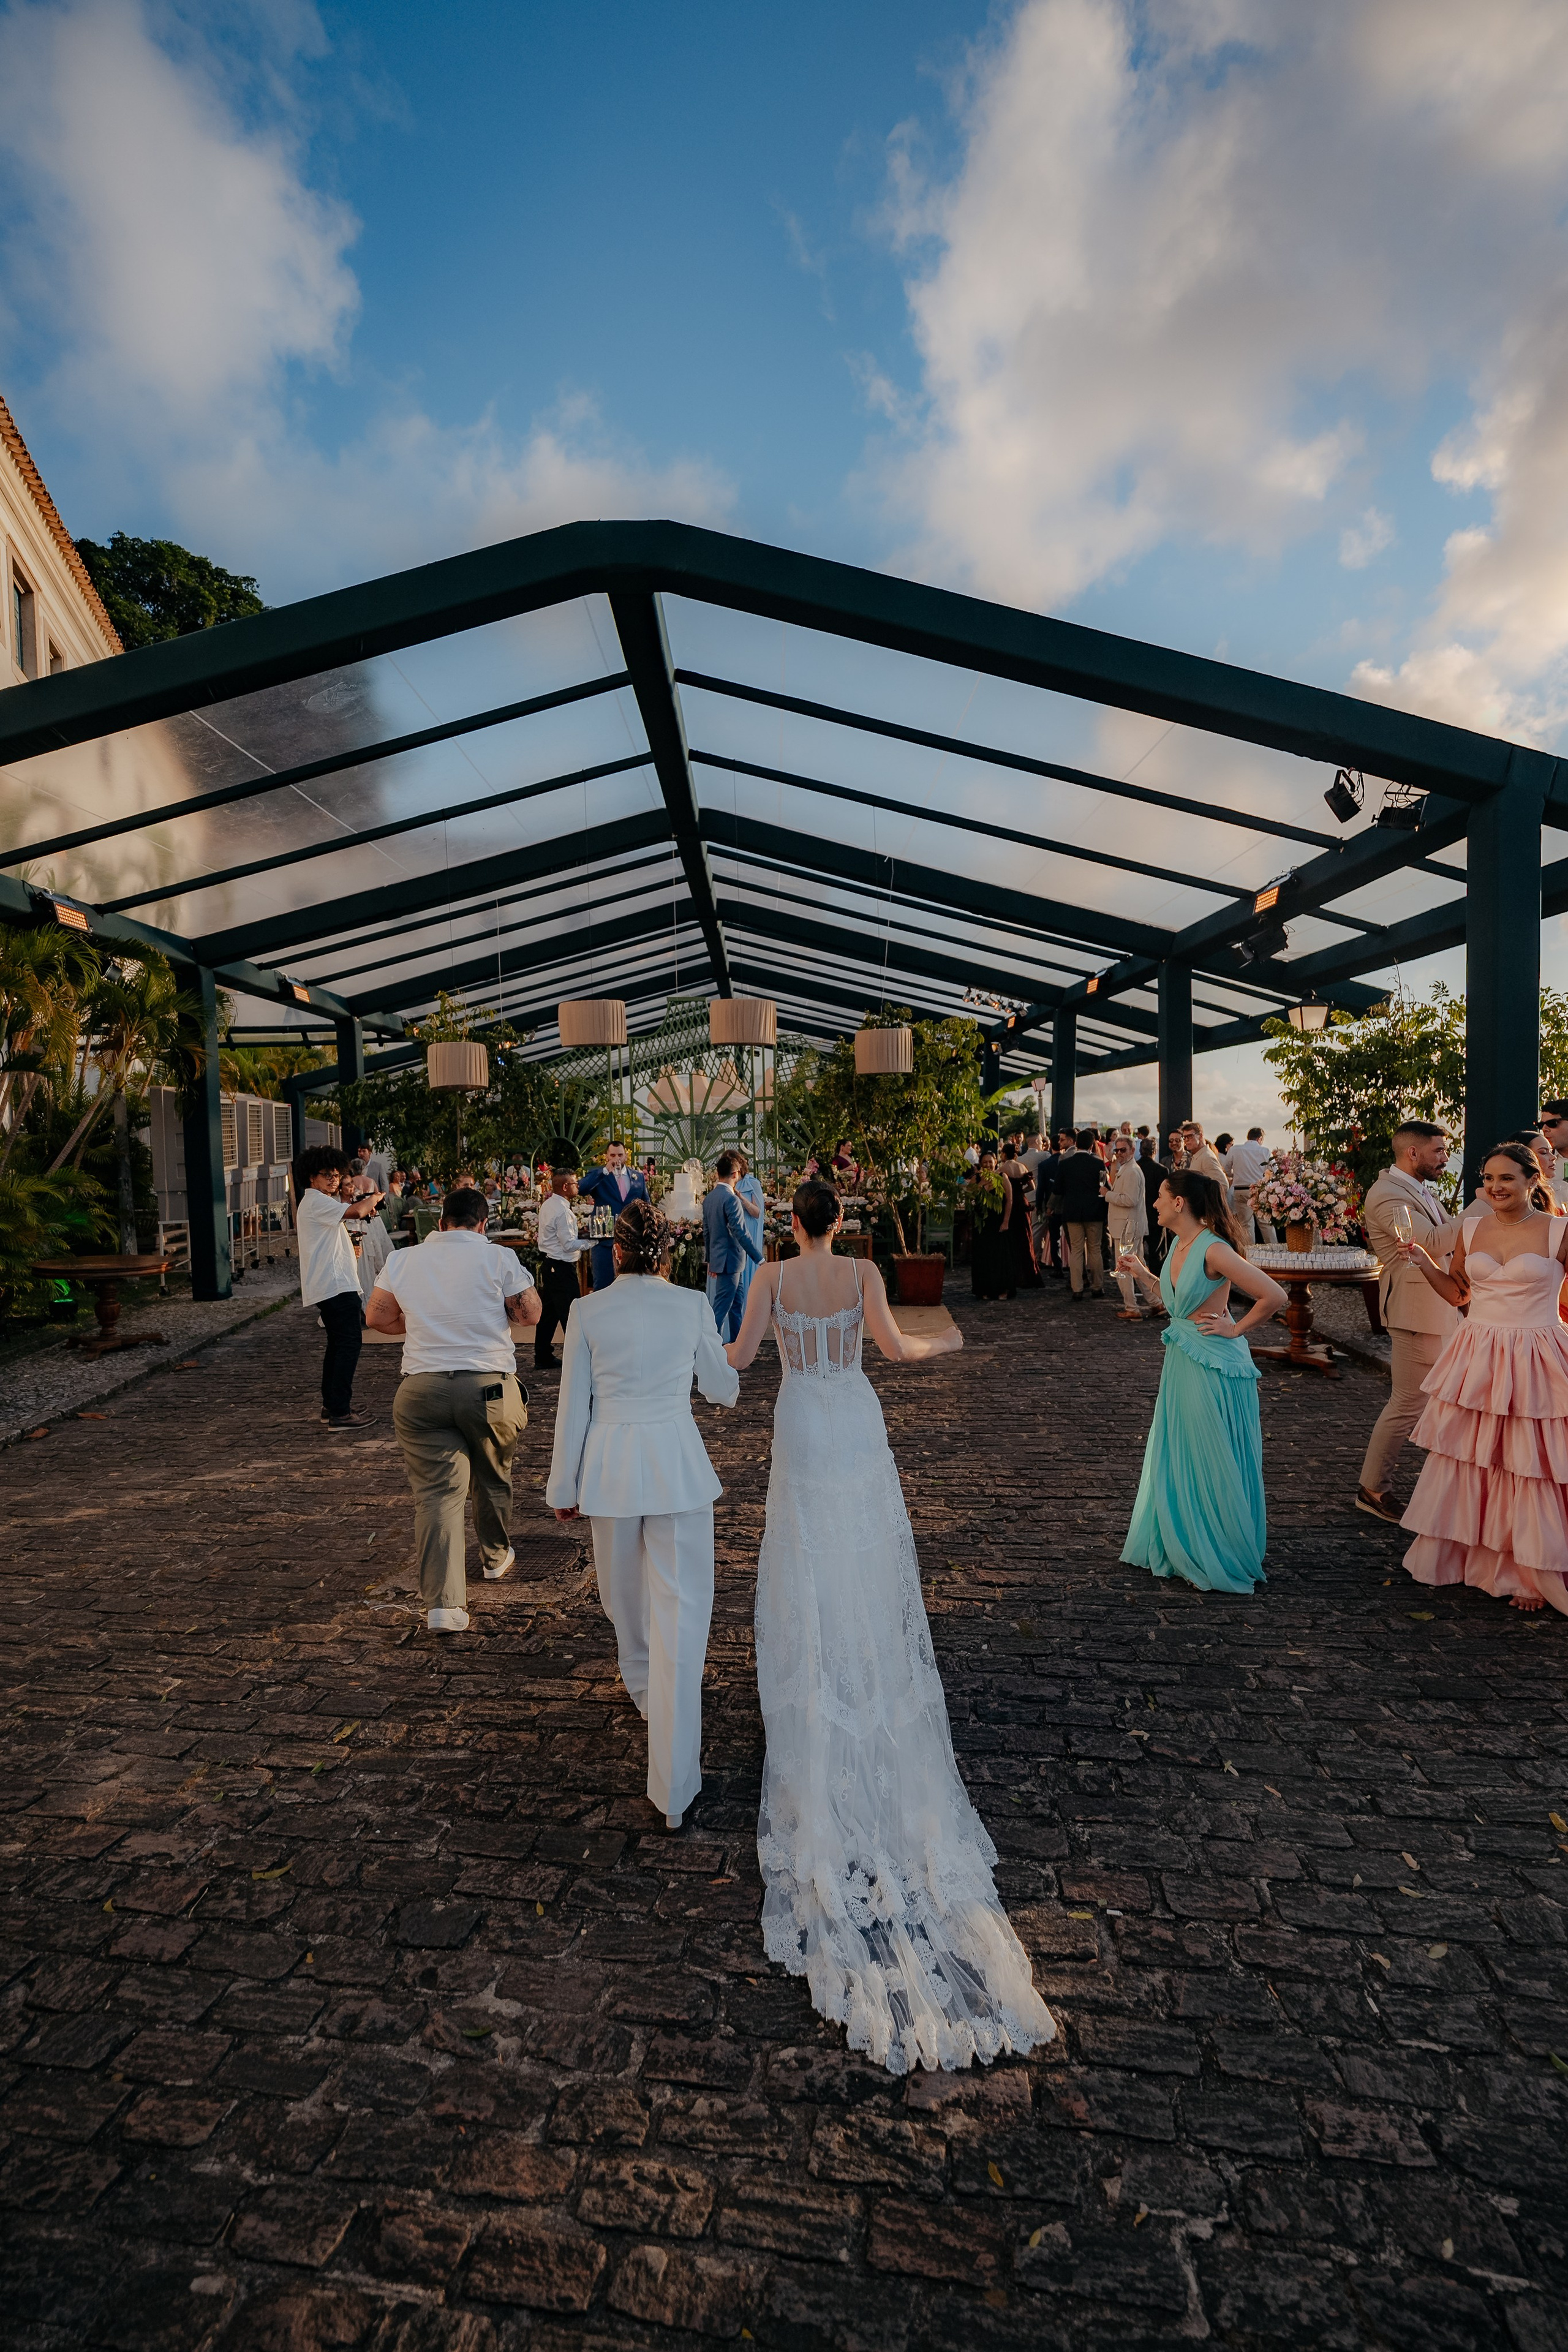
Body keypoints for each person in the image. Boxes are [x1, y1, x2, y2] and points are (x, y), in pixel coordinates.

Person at [725, 1177, 1054, 2075]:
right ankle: (864, 1672)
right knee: (865, 1554)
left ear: (792, 1223)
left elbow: (743, 1358)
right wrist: (941, 1339)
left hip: (801, 1420)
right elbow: (897, 1354)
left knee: (807, 1555)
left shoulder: (770, 1279)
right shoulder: (866, 1270)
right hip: (853, 1420)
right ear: (843, 1222)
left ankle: (817, 1678)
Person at [546, 1199, 740, 1826]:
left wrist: (562, 1486)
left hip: (609, 1468)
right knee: (680, 1614)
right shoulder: (690, 1306)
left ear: (616, 1251)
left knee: (622, 1600)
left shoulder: (586, 1310)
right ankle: (673, 1767)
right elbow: (721, 1390)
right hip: (676, 1466)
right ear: (667, 1253)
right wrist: (722, 1359)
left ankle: (649, 1695)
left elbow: (573, 1403)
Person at [1396, 1142, 1568, 1614]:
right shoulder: (1470, 1229)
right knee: (1473, 1457)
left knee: (1529, 1463)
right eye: (1489, 1178)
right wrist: (1426, 1264)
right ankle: (1467, 1557)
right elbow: (1458, 1293)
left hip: (1537, 1353)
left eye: (1507, 1178)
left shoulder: (1559, 1232)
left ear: (1533, 1180)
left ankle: (1529, 1569)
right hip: (1480, 1352)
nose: (1495, 1187)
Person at [366, 1187, 540, 1634]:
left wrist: (421, 1320)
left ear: (440, 1222)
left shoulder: (404, 1259)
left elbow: (377, 1316)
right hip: (488, 1389)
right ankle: (495, 1558)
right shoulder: (498, 1259)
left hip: (422, 1390)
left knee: (438, 1495)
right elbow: (530, 1315)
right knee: (492, 1473)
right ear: (483, 1224)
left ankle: (444, 1606)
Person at [1117, 1172, 1289, 1591]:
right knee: (1182, 1451)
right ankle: (1189, 1542)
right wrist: (1141, 1274)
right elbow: (1177, 1302)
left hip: (1214, 1363)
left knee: (1209, 1454)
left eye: (1160, 1197)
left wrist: (1236, 1328)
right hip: (1182, 1357)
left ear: (1180, 1204)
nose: (1153, 1204)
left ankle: (1216, 1549)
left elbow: (1274, 1296)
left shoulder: (1215, 1248)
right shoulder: (1179, 1243)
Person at [1354, 1121, 1463, 1524]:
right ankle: (1373, 1488)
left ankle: (1450, 1488)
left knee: (1436, 1401)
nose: (1445, 1158)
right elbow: (1430, 1245)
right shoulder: (1386, 1194)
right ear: (1412, 1153)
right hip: (1417, 1310)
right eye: (1439, 1150)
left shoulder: (1417, 1189)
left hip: (1437, 1305)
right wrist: (1481, 1207)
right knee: (1407, 1404)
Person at [293, 1145, 383, 1430]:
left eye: (337, 1174)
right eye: (326, 1175)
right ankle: (340, 1413)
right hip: (334, 1285)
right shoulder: (316, 1201)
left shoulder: (319, 1203)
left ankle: (333, 1405)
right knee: (348, 1344)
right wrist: (376, 1198)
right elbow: (356, 1211)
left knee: (337, 1345)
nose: (334, 1180)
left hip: (332, 1283)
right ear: (311, 1177)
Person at [703, 1150, 763, 1341]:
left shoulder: (709, 1198)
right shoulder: (731, 1199)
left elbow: (707, 1233)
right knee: (721, 1310)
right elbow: (741, 1233)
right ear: (736, 1175)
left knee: (737, 1307)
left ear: (717, 1174)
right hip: (732, 1261)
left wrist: (711, 1261)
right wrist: (759, 1258)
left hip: (725, 1261)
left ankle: (738, 1345)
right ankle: (710, 1347)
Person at [579, 1140, 649, 1289]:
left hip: (632, 1243)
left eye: (620, 1155)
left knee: (632, 1287)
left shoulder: (638, 1177)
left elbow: (646, 1204)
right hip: (605, 1243)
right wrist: (605, 1171)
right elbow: (582, 1189)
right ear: (607, 1156)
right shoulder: (599, 1175)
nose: (617, 1158)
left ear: (626, 1156)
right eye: (613, 1155)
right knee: (603, 1287)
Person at [535, 1169, 584, 1370]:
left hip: (551, 1265)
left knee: (549, 1314)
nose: (577, 1186)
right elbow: (569, 1245)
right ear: (565, 1187)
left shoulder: (549, 1204)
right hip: (561, 1267)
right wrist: (592, 1242)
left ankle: (543, 1355)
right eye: (575, 1183)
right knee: (571, 1314)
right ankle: (578, 1359)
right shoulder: (562, 1210)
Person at [1057, 1128, 1109, 1300]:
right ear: (1092, 1145)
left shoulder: (1065, 1164)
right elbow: (1105, 1186)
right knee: (1095, 1249)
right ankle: (1097, 1287)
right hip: (1094, 1211)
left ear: (1076, 1143)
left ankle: (1077, 1288)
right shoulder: (1098, 1163)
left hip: (1072, 1212)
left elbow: (1057, 1189)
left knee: (1077, 1251)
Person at [1105, 1134, 1149, 1316]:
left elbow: (1130, 1200)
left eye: (1123, 1150)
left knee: (1124, 1269)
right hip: (1129, 1225)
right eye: (1117, 1150)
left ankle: (1132, 1307)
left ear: (1132, 1150)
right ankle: (1156, 1303)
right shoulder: (1127, 1168)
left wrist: (1107, 1194)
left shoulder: (1131, 1171)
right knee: (1138, 1268)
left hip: (1127, 1227)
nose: (1120, 1153)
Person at [968, 1152, 1011, 1301]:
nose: (988, 1165)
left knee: (999, 1257)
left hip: (998, 1221)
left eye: (990, 1162)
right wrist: (982, 1186)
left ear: (995, 1162)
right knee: (983, 1256)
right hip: (982, 1222)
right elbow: (970, 1199)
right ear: (980, 1163)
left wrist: (1006, 1221)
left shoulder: (1002, 1178)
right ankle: (984, 1289)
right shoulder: (976, 1179)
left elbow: (1009, 1200)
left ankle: (1002, 1290)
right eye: (985, 1162)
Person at [998, 1140, 1039, 1290]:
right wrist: (1021, 1192)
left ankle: (1015, 1275)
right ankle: (1029, 1274)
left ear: (1004, 1154)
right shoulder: (1022, 1167)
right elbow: (1032, 1186)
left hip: (1010, 1204)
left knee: (1012, 1240)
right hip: (1022, 1203)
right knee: (1025, 1238)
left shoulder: (1002, 1168)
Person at [732, 1149, 766, 1321]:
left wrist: (742, 1199)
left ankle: (749, 1317)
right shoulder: (727, 1183)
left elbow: (757, 1212)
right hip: (733, 1234)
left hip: (749, 1231)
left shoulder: (753, 1184)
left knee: (747, 1276)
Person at [1226, 1128, 1274, 1243]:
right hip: (1260, 1190)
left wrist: (1236, 1174)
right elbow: (1274, 1170)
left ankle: (1249, 1254)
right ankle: (1274, 1251)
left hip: (1240, 1189)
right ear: (1260, 1139)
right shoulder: (1265, 1151)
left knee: (1246, 1225)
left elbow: (1227, 1168)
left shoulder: (1235, 1150)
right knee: (1266, 1224)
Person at [1182, 1121, 1226, 1187]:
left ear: (1201, 1136)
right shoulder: (1198, 1155)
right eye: (1185, 1137)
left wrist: (1204, 1196)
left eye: (1190, 1136)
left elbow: (1223, 1184)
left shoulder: (1207, 1157)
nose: (1186, 1140)